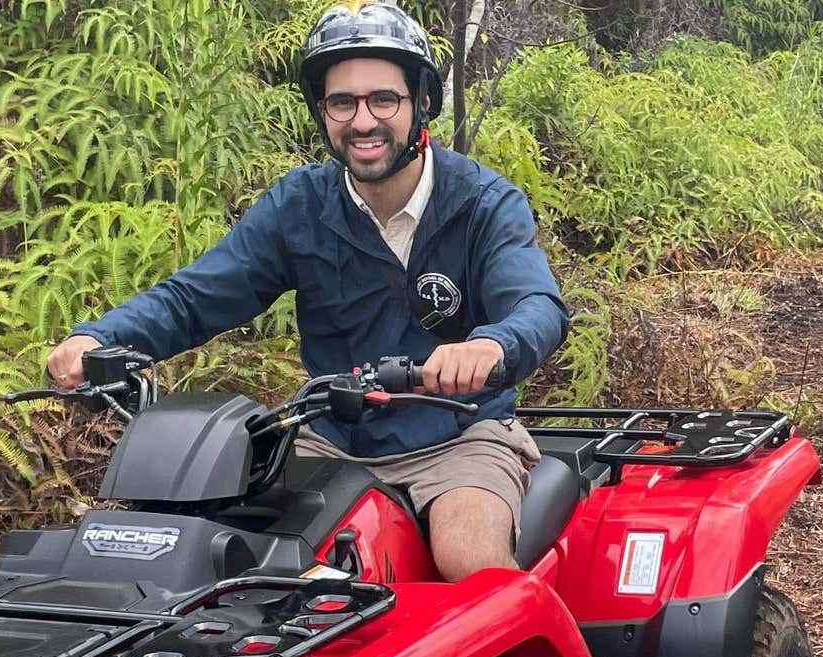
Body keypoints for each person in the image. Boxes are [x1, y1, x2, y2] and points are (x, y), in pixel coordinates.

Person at [42, 0, 569, 583]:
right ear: (323, 113)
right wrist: (101, 338)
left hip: (460, 435)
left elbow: (537, 305)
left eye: (383, 100)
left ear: (421, 102)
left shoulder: (483, 203)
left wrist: (491, 347)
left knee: (470, 562)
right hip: (333, 438)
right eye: (342, 102)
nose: (363, 121)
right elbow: (197, 295)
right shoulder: (299, 207)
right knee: (225, 562)